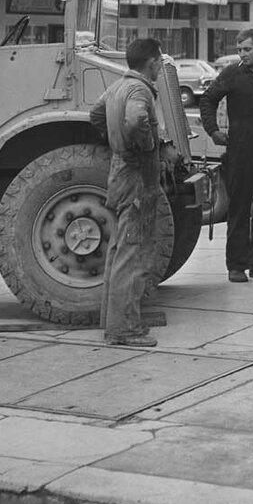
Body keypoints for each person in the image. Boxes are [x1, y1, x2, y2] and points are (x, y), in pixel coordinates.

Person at [89, 37, 166, 346]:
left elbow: (96, 113)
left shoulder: (118, 86)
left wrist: (114, 140)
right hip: (136, 174)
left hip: (120, 171)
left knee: (120, 247)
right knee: (132, 253)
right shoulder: (138, 89)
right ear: (151, 63)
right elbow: (136, 121)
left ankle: (114, 319)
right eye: (159, 60)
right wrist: (146, 146)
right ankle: (123, 330)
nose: (161, 65)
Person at [199, 27, 253, 282]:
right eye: (239, 50)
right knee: (239, 208)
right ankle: (236, 265)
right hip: (240, 152)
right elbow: (207, 100)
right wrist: (213, 130)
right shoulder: (232, 74)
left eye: (247, 49)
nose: (242, 54)